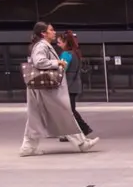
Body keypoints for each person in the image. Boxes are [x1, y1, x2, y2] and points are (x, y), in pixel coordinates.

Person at [20, 22, 99, 157]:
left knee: (36, 118)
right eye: (51, 30)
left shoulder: (43, 45)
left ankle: (28, 147)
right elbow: (39, 61)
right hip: (47, 90)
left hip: (43, 90)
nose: (54, 32)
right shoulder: (41, 46)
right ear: (43, 33)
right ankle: (81, 143)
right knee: (64, 114)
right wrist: (57, 63)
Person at [57, 30, 92, 138]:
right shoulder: (75, 53)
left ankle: (82, 129)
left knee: (69, 110)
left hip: (68, 85)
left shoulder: (66, 54)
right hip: (75, 85)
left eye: (59, 42)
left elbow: (61, 69)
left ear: (65, 42)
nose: (58, 45)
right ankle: (77, 131)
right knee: (69, 110)